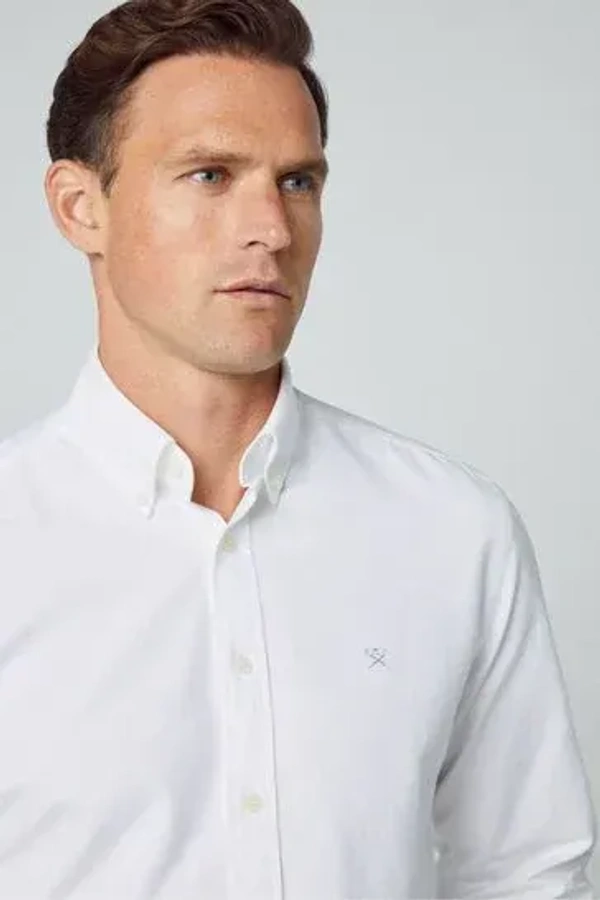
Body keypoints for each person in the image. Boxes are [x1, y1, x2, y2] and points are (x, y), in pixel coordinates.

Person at [0, 0, 595, 896]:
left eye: (297, 182)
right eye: (210, 175)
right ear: (81, 207)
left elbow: (527, 873)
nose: (272, 230)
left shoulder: (453, 530)